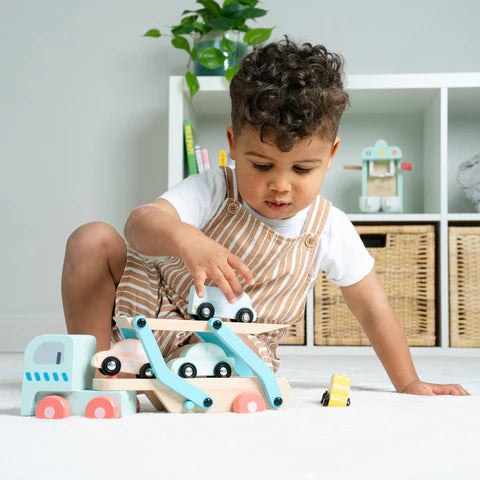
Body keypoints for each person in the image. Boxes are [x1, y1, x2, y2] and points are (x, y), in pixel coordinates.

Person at [62, 37, 469, 395]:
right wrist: (186, 238)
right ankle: (99, 371)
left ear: (330, 156)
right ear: (232, 145)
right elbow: (139, 224)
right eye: (261, 165)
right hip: (155, 313)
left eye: (302, 169)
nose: (281, 185)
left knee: (225, 376)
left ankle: (173, 377)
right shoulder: (215, 187)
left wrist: (409, 382)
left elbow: (373, 309)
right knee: (92, 238)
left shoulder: (328, 226)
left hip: (235, 348)